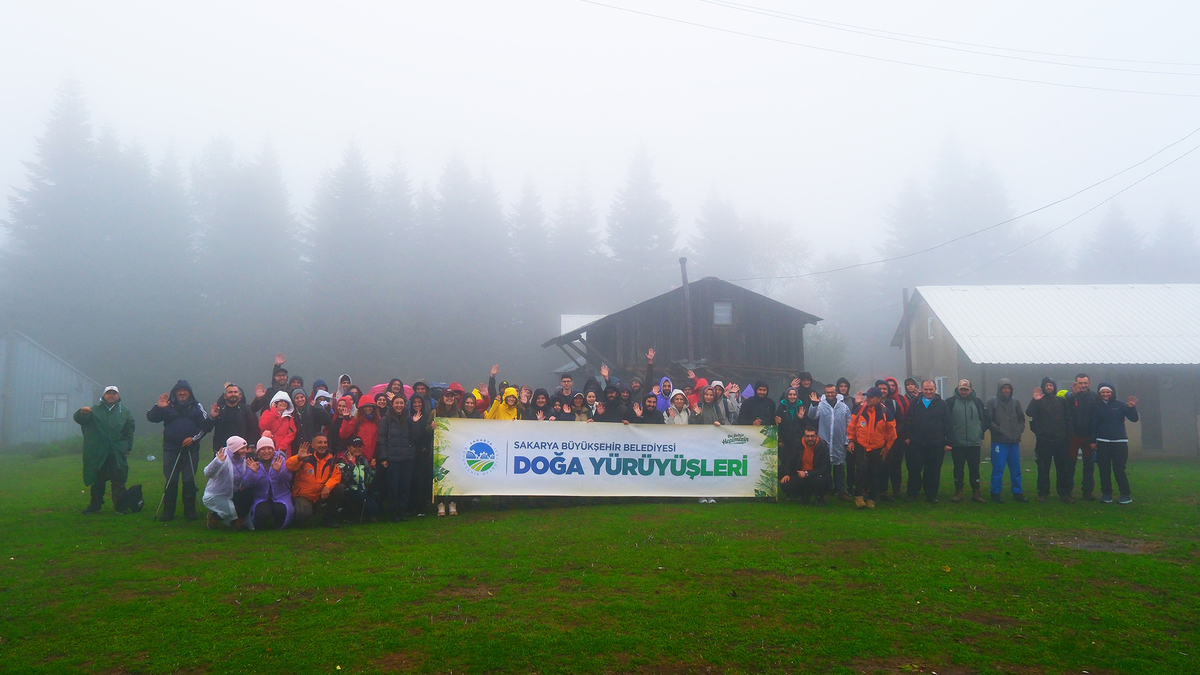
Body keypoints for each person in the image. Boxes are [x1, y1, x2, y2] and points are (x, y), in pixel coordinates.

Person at [146, 380, 214, 521]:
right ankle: (168, 512)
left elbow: (206, 426)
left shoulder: (197, 406)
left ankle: (190, 512)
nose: (182, 393)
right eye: (179, 390)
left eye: (185, 390)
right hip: (171, 449)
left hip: (191, 449)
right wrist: (158, 407)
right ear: (175, 392)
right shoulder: (167, 405)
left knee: (189, 480)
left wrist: (193, 439)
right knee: (171, 479)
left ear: (190, 392)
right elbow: (151, 418)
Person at [75, 385, 137, 515]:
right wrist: (81, 412)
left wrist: (128, 447)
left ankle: (120, 507)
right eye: (108, 393)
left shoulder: (124, 411)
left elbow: (129, 430)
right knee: (97, 478)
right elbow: (81, 420)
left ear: (118, 396)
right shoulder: (95, 410)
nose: (111, 396)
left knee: (118, 478)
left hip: (116, 450)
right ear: (104, 396)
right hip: (99, 451)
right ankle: (95, 505)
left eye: (114, 393)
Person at [845, 387, 896, 509]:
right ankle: (858, 496)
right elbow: (851, 426)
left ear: (879, 398)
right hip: (861, 446)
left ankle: (871, 498)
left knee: (874, 473)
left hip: (877, 448)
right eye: (867, 396)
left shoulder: (886, 412)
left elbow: (892, 433)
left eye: (871, 397)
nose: (868, 399)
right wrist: (851, 441)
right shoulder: (859, 409)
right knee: (861, 470)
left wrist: (887, 448)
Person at [1026, 377, 1073, 503]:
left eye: (1051, 385)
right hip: (1044, 440)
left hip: (1061, 440)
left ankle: (1064, 493)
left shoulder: (1061, 401)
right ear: (1043, 387)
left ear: (1054, 387)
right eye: (1046, 385)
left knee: (1063, 468)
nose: (1048, 387)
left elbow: (1068, 419)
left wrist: (1069, 436)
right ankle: (1042, 493)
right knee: (1043, 468)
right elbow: (1029, 413)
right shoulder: (1039, 401)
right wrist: (1034, 400)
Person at [1091, 383, 1138, 504]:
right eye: (1103, 392)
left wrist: (1132, 407)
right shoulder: (1096, 407)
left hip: (1119, 442)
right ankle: (1106, 494)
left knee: (1119, 469)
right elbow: (1093, 425)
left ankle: (1125, 494)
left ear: (1112, 393)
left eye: (1108, 392)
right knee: (1104, 469)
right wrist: (1092, 441)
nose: (1106, 394)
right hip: (1103, 441)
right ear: (1099, 394)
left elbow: (1134, 418)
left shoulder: (1120, 405)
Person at [903, 380, 949, 503]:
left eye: (931, 389)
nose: (928, 392)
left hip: (935, 443)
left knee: (933, 471)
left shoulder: (942, 404)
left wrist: (948, 441)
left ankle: (931, 495)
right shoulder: (915, 402)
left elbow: (947, 423)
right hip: (917, 442)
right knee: (914, 470)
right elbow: (909, 420)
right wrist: (907, 436)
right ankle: (912, 494)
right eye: (926, 389)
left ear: (935, 389)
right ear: (922, 389)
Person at [985, 378, 1028, 503]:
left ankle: (1017, 492)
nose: (1006, 390)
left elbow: (1021, 418)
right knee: (998, 468)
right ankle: (995, 493)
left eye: (1008, 388)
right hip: (999, 441)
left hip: (1014, 441)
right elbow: (988, 420)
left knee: (1016, 469)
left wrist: (1019, 429)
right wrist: (999, 430)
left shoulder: (1016, 402)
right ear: (999, 389)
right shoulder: (992, 402)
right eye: (1004, 388)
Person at [286, 436, 343, 528]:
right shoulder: (305, 458)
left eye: (325, 442)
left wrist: (327, 487)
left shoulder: (331, 460)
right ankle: (296, 514)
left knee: (339, 488)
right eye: (320, 442)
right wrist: (298, 458)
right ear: (313, 445)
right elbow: (288, 466)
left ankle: (329, 518)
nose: (323, 445)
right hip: (304, 495)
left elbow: (336, 476)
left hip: (321, 495)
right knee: (303, 514)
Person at [377, 397, 420, 521]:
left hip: (407, 457)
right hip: (392, 458)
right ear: (392, 404)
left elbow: (416, 437)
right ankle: (393, 512)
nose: (399, 405)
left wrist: (415, 423)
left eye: (401, 403)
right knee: (393, 487)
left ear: (405, 404)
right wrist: (383, 457)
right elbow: (382, 439)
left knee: (405, 487)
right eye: (397, 403)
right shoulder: (386, 420)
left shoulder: (410, 418)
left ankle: (403, 510)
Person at [945, 379, 987, 504]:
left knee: (974, 468)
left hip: (974, 442)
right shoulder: (950, 402)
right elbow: (945, 421)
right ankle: (958, 491)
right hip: (957, 443)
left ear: (971, 390)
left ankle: (976, 492)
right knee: (958, 468)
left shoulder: (977, 402)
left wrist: (979, 430)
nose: (964, 392)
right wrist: (949, 438)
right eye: (961, 389)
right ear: (958, 389)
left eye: (966, 389)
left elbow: (987, 419)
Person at [809, 382, 851, 501]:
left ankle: (842, 491)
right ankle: (826, 492)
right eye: (828, 392)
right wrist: (813, 404)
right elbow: (812, 416)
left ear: (836, 393)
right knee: (825, 469)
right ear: (825, 393)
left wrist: (847, 440)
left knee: (840, 469)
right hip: (824, 442)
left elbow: (849, 424)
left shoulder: (843, 407)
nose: (830, 394)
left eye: (832, 392)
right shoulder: (821, 405)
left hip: (839, 442)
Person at [242, 435, 293, 530]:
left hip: (281, 496)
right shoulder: (253, 462)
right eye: (263, 449)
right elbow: (248, 484)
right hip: (261, 497)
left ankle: (279, 524)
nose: (266, 451)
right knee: (263, 514)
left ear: (273, 449)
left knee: (282, 511)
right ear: (258, 451)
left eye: (269, 448)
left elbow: (288, 478)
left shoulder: (280, 459)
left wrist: (279, 471)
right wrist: (253, 472)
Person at [1064, 374, 1100, 500]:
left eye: (1085, 383)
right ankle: (1067, 492)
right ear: (1076, 383)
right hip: (1073, 436)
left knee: (1089, 465)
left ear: (1089, 383)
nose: (1083, 386)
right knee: (1070, 464)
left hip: (1089, 436)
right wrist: (1073, 394)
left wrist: (1095, 436)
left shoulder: (1095, 397)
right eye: (1080, 383)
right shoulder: (1071, 396)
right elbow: (1065, 404)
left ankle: (1087, 491)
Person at [202, 435, 249, 529]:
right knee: (231, 513)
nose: (245, 450)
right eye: (242, 448)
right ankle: (217, 517)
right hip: (216, 494)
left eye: (245, 448)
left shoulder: (243, 459)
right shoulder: (223, 458)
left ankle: (228, 517)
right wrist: (217, 462)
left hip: (233, 493)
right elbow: (207, 473)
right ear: (235, 449)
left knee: (247, 498)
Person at [780, 427, 831, 505]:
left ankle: (819, 497)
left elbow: (825, 468)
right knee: (784, 483)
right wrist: (787, 474)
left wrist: (807, 473)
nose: (810, 438)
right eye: (807, 436)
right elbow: (789, 461)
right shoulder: (797, 444)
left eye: (812, 436)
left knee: (819, 480)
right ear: (804, 436)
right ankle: (799, 494)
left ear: (817, 436)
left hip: (815, 475)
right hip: (799, 474)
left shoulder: (823, 447)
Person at [878, 377, 909, 501]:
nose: (883, 391)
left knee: (896, 466)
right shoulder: (871, 403)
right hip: (878, 442)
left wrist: (893, 433)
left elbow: (901, 421)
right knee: (881, 467)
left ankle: (896, 489)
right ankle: (882, 491)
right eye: (880, 388)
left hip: (895, 441)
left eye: (885, 388)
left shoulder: (893, 404)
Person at [336, 437, 378, 522]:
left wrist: (372, 469)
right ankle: (347, 514)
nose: (358, 449)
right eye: (355, 446)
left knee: (375, 503)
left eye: (360, 446)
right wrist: (351, 464)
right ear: (349, 447)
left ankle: (365, 514)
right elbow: (343, 478)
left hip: (362, 491)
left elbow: (368, 481)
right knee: (371, 506)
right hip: (348, 492)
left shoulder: (363, 460)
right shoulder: (342, 460)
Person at [774, 388, 807, 493]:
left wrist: (801, 418)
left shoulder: (802, 407)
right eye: (790, 394)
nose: (792, 397)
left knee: (798, 463)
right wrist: (780, 439)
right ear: (786, 395)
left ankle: (798, 488)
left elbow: (807, 425)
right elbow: (778, 425)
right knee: (785, 463)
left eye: (794, 394)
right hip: (785, 442)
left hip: (798, 441)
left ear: (797, 396)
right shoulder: (781, 407)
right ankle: (787, 487)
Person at [211, 383, 260, 453]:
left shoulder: (246, 410)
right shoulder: (219, 410)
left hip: (243, 450)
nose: (233, 394)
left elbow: (252, 428)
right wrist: (212, 417)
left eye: (235, 392)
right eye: (230, 392)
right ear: (224, 396)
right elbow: (206, 428)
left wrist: (251, 445)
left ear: (239, 395)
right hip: (222, 451)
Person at [409, 394, 436, 516]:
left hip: (422, 453)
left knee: (421, 481)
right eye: (414, 402)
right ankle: (411, 506)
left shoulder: (426, 416)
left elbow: (427, 434)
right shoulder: (407, 416)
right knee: (411, 480)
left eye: (419, 402)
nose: (417, 404)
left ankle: (421, 507)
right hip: (409, 452)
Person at [338, 395, 381, 463]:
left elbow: (378, 439)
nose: (368, 409)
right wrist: (346, 420)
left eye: (370, 406)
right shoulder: (356, 420)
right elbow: (343, 435)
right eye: (365, 407)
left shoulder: (377, 421)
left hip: (373, 459)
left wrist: (375, 456)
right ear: (361, 408)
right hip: (357, 457)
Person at [257, 391, 297, 455]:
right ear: (275, 403)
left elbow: (292, 433)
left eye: (285, 401)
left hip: (284, 450)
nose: (283, 403)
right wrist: (273, 411)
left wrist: (283, 446)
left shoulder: (289, 417)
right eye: (281, 401)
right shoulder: (267, 413)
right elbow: (263, 426)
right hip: (269, 449)